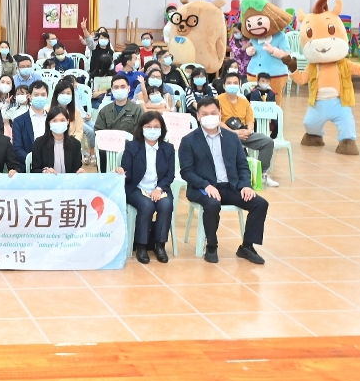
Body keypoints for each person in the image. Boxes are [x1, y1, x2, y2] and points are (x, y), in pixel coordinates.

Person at [179, 97, 269, 265]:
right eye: (205, 114)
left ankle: (247, 246)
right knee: (212, 204)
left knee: (260, 204)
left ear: (220, 114)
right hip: (202, 188)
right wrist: (206, 185)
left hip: (230, 186)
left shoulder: (231, 138)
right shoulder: (188, 140)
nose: (209, 117)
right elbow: (186, 172)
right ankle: (211, 246)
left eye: (213, 113)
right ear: (198, 116)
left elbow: (242, 165)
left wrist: (246, 185)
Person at [115, 111, 175, 264]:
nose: (152, 130)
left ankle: (159, 245)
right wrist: (121, 172)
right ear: (141, 128)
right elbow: (127, 172)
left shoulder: (168, 148)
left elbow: (170, 175)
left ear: (162, 129)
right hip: (136, 188)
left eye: (156, 126)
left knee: (166, 204)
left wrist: (159, 189)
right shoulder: (132, 146)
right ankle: (141, 246)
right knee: (147, 206)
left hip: (159, 188)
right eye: (148, 126)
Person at [217, 72, 278, 187]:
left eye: (235, 83)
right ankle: (242, 176)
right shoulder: (217, 100)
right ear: (224, 86)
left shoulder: (244, 101)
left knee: (267, 142)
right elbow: (217, 121)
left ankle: (261, 174)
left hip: (244, 132)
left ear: (240, 85)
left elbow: (250, 120)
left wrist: (249, 131)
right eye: (229, 83)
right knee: (237, 147)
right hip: (226, 134)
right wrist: (233, 133)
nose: (232, 85)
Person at [29, 106, 83, 174]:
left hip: (68, 180)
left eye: (62, 120)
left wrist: (79, 172)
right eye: (54, 121)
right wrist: (45, 171)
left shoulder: (75, 144)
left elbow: (76, 169)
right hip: (47, 180)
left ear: (68, 122)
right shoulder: (39, 143)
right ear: (49, 123)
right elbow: (35, 170)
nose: (58, 123)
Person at [10, 80, 50, 163]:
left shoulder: (52, 119)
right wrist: (32, 160)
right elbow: (17, 148)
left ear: (47, 96)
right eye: (36, 95)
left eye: (43, 95)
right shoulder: (19, 121)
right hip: (28, 165)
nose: (40, 97)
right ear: (29, 96)